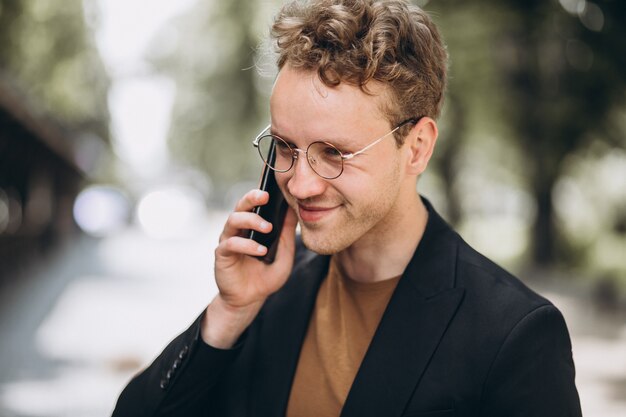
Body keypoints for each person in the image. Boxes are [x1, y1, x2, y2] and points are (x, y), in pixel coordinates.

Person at [112, 0, 582, 416]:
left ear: (416, 147)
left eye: (334, 153)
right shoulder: (268, 293)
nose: (299, 182)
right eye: (285, 147)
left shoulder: (514, 334)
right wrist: (229, 312)